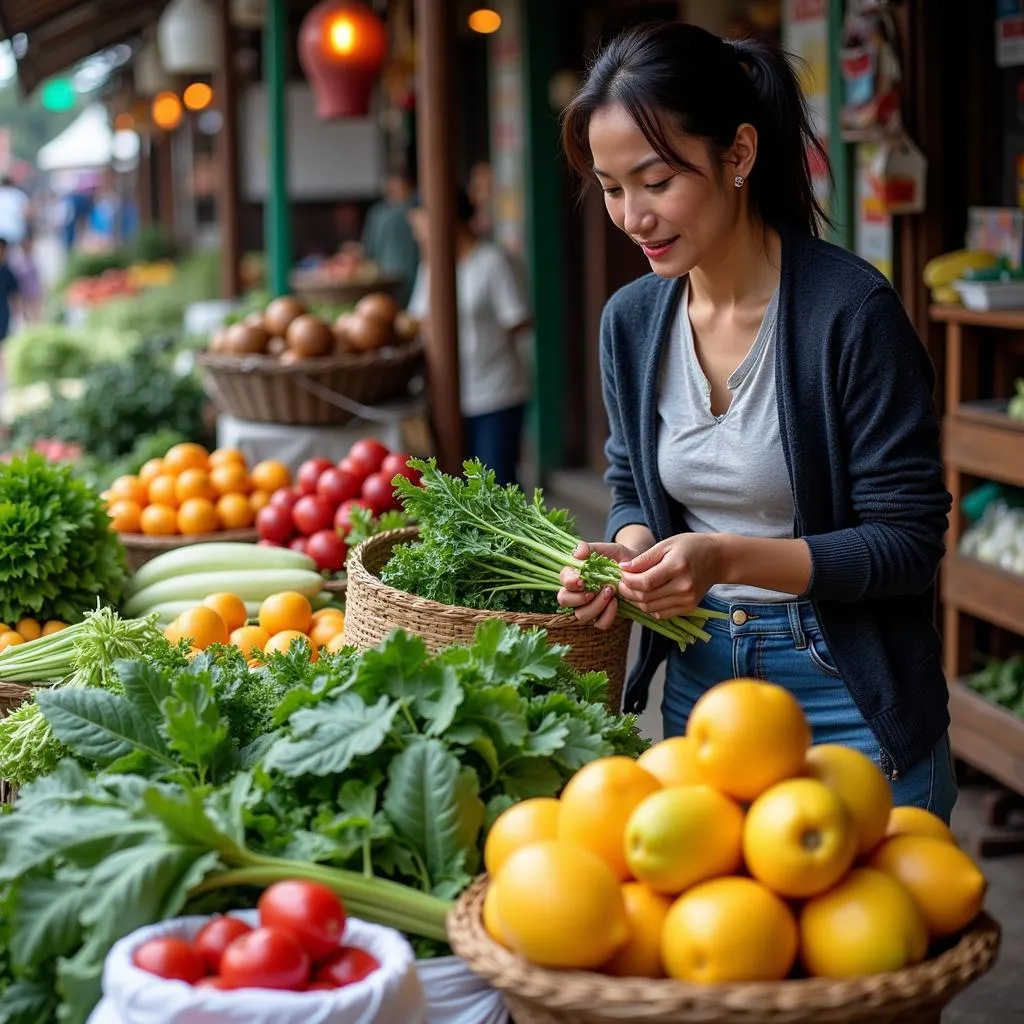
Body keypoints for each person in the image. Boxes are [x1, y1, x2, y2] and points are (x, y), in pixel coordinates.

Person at [555, 22, 956, 821]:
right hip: (700, 690)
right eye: (610, 187)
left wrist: (724, 556)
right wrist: (629, 554)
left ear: (738, 155)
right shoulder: (631, 322)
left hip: (849, 695)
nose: (633, 216)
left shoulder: (851, 314)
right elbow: (632, 483)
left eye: (657, 181)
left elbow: (908, 545)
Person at [407, 187, 531, 488]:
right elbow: (418, 319)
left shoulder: (491, 261)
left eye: (420, 225)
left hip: (495, 393)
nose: (418, 234)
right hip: (449, 396)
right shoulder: (431, 265)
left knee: (497, 487)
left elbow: (519, 320)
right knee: (458, 488)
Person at [361, 171, 421, 309]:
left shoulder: (382, 214)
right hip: (396, 273)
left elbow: (369, 248)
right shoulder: (381, 214)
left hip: (402, 273)